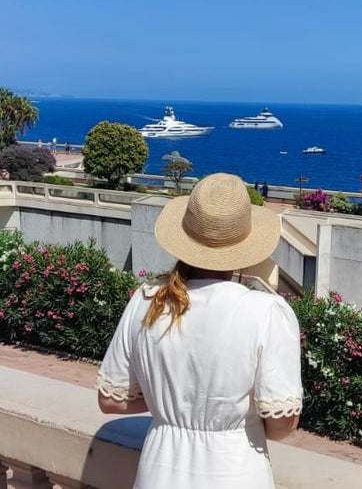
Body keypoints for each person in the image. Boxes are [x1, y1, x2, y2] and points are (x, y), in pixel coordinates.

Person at [96, 172, 302, 489]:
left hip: (159, 471)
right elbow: (281, 423)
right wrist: (223, 413)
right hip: (235, 470)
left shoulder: (147, 301)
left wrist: (173, 406)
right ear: (244, 246)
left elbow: (110, 401)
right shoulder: (267, 313)